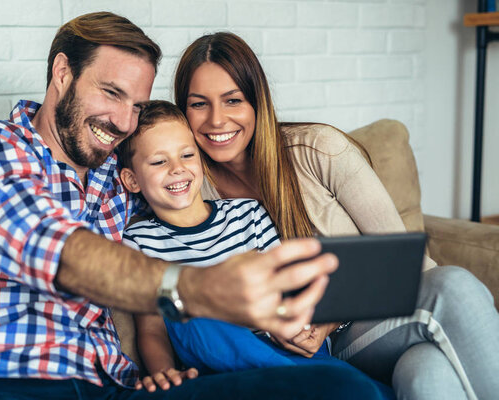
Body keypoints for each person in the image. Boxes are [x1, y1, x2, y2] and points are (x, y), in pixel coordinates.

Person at [0, 12, 391, 400]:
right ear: (62, 73)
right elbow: (61, 254)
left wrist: (151, 375)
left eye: (136, 104)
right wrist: (201, 287)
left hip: (110, 389)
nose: (122, 120)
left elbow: (181, 165)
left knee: (344, 388)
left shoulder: (121, 177)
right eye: (111, 93)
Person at [173, 31, 499, 400]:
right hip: (307, 353)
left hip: (376, 321)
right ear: (182, 112)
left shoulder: (318, 150)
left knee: (427, 372)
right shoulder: (187, 186)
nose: (217, 120)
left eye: (233, 100)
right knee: (452, 294)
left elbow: (407, 264)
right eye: (199, 104)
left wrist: (327, 319)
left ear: (257, 103)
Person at [117, 99, 394, 399]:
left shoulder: (246, 213)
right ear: (131, 179)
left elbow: (285, 287)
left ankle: (313, 377)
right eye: (159, 162)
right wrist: (165, 374)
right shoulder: (139, 240)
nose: (178, 169)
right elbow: (151, 327)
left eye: (187, 155)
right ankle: (317, 380)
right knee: (192, 313)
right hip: (216, 351)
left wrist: (301, 324)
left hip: (281, 345)